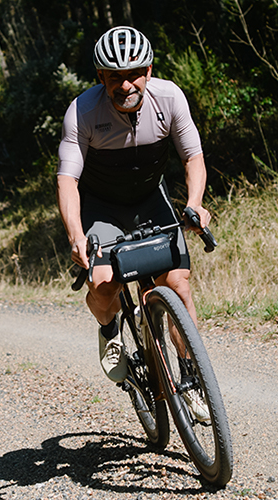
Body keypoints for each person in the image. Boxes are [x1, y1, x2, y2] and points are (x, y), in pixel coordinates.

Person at [56, 26, 213, 421]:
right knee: (104, 283)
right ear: (100, 78)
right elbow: (67, 180)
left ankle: (191, 378)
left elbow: (192, 157)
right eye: (114, 77)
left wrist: (195, 204)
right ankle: (109, 328)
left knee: (177, 283)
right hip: (103, 207)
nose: (125, 85)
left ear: (149, 70)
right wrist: (76, 235)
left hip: (149, 200)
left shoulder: (169, 97)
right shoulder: (83, 113)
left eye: (134, 74)